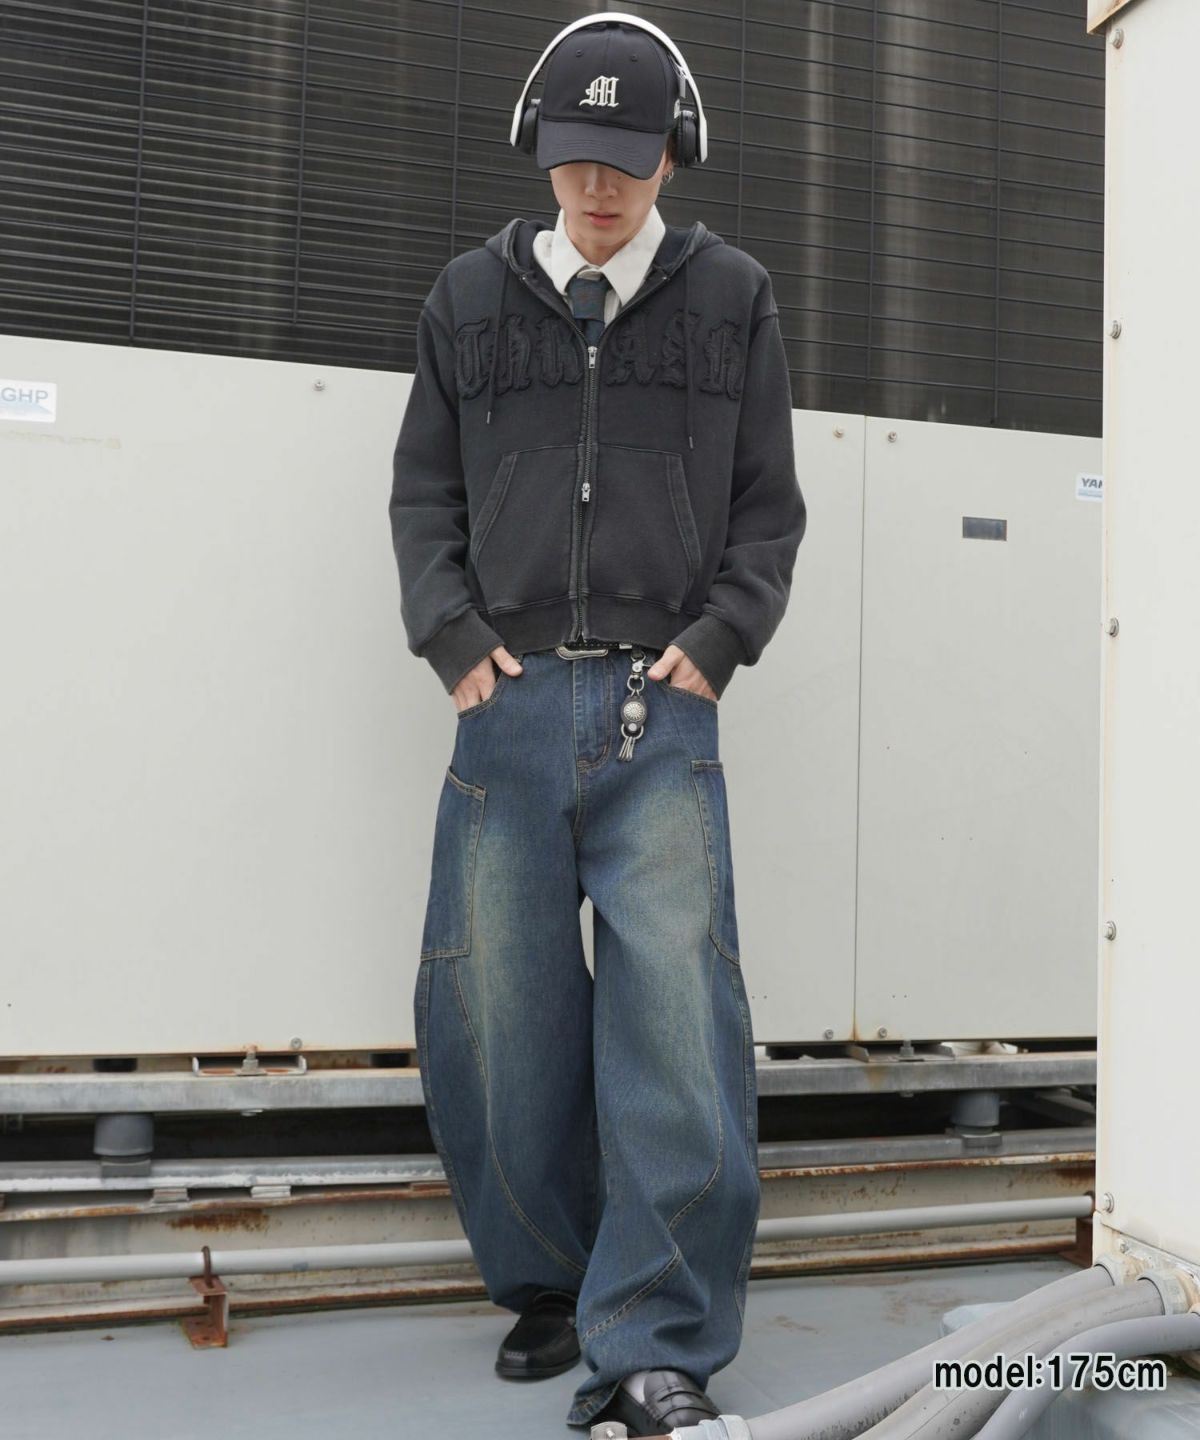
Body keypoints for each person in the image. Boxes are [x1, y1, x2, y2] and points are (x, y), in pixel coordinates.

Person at [388, 13, 806, 1434]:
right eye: (574, 158)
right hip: (504, 704)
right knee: (493, 1017)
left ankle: (656, 1340)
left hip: (657, 710)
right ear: (541, 149)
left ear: (672, 153)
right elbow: (422, 495)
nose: (597, 187)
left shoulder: (731, 296)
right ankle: (555, 1284)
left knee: (677, 1024)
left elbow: (768, 507)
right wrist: (454, 642)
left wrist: (717, 644)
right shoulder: (468, 299)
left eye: (624, 160)